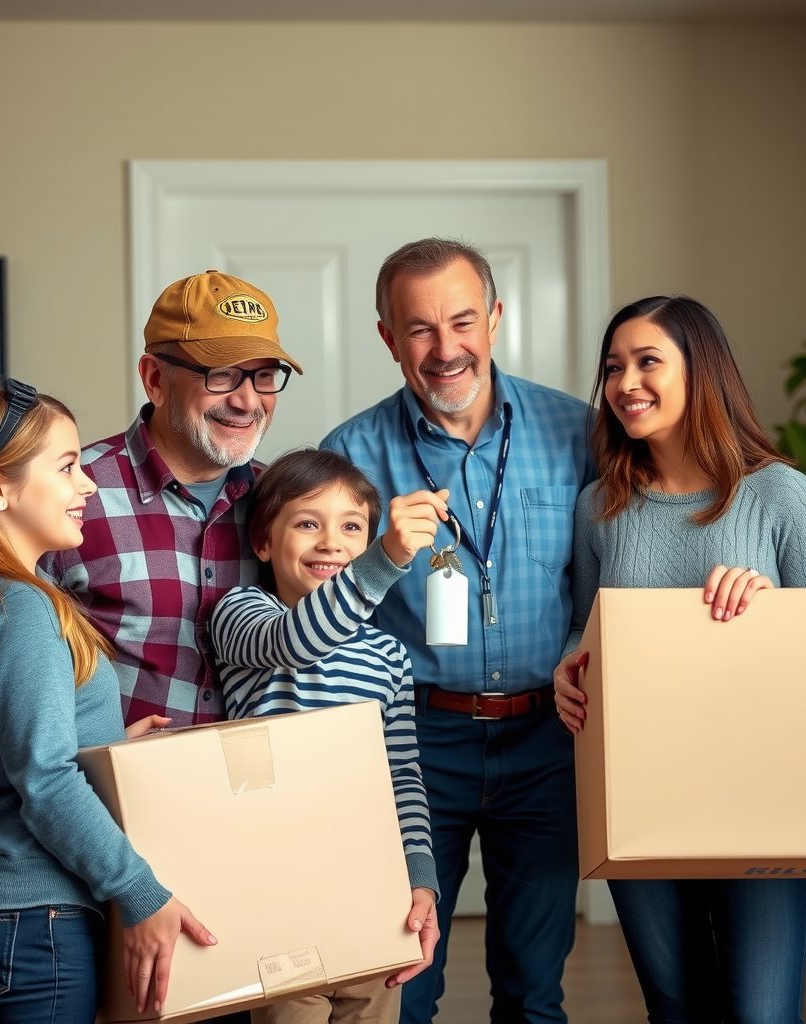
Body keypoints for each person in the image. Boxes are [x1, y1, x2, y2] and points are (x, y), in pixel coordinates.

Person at [321, 239, 596, 1024]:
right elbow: (329, 617)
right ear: (386, 338)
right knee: (404, 989)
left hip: (548, 741)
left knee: (533, 990)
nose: (446, 350)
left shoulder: (578, 434)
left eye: (463, 322)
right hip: (412, 749)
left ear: (496, 320)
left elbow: (604, 579)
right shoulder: (350, 456)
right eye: (419, 330)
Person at [553, 295, 806, 1024]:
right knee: (676, 1008)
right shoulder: (599, 508)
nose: (624, 383)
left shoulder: (780, 494)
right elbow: (589, 631)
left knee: (762, 1014)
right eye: (613, 367)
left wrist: (769, 604)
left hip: (760, 796)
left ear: (700, 371)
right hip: (638, 792)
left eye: (648, 361)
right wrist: (567, 667)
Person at [0, 382, 215, 1024]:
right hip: (39, 923)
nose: (87, 485)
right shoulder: (22, 608)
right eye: (66, 467)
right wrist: (142, 894)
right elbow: (46, 779)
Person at [211, 448, 448, 1024]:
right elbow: (297, 641)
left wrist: (420, 880)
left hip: (370, 890)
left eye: (351, 528)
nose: (330, 543)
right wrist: (388, 558)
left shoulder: (387, 654)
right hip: (276, 894)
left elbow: (402, 777)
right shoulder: (241, 614)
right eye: (307, 524)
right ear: (264, 543)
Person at [44, 270, 303, 730]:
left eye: (264, 376)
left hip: (261, 791)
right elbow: (2, 675)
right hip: (115, 793)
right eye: (222, 375)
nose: (248, 401)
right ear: (155, 379)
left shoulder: (287, 504)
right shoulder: (69, 493)